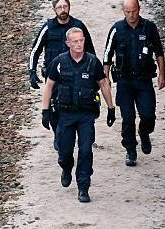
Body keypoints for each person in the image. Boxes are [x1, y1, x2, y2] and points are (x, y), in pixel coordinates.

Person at [41, 28, 116, 203]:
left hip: (85, 115)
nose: (79, 44)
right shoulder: (59, 62)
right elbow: (49, 86)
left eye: (81, 40)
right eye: (75, 41)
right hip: (65, 114)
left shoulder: (92, 62)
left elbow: (103, 84)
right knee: (64, 151)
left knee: (85, 150)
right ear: (68, 43)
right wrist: (45, 111)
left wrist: (111, 108)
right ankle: (66, 168)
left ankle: (83, 187)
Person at [103, 0, 165, 166]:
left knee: (148, 115)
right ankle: (130, 150)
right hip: (124, 81)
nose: (131, 15)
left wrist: (162, 74)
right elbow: (107, 55)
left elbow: (159, 51)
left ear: (139, 9)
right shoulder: (116, 29)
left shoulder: (149, 28)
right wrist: (106, 76)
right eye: (128, 12)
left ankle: (144, 133)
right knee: (128, 117)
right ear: (123, 11)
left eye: (134, 11)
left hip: (144, 80)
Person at [29, 0, 96, 90]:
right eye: (59, 7)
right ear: (54, 10)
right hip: (53, 74)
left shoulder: (78, 26)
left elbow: (90, 50)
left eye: (65, 6)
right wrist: (32, 72)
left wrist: (94, 74)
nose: (63, 10)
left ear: (69, 7)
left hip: (77, 72)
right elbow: (35, 51)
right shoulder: (48, 27)